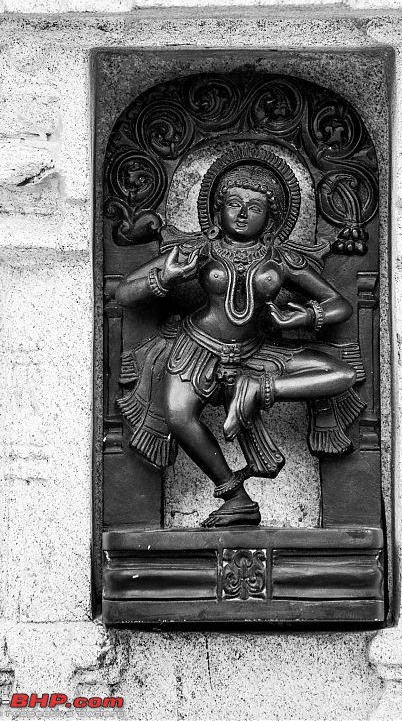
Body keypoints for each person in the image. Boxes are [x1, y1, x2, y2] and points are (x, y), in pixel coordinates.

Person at [115, 156, 362, 527]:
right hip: (196, 347)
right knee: (180, 416)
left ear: (273, 217)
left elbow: (338, 304)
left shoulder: (282, 260)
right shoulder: (199, 250)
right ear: (218, 211)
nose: (242, 214)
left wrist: (305, 316)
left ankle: (260, 387)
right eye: (233, 204)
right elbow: (123, 294)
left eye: (255, 206)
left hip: (255, 352)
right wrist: (165, 276)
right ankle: (236, 496)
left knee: (341, 374)